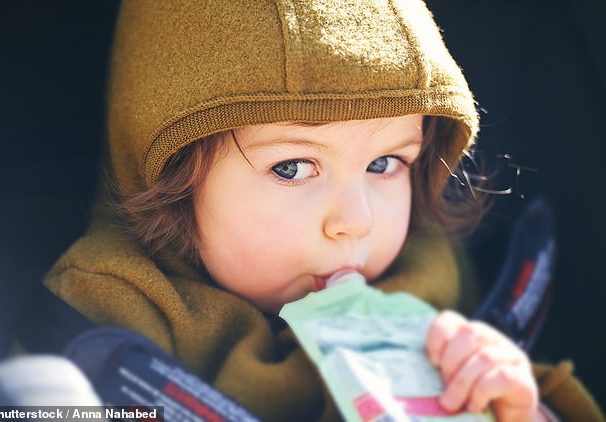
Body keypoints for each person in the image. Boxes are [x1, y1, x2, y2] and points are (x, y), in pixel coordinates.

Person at [44, 0, 603, 420]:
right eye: (292, 168)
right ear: (171, 181)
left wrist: (519, 407)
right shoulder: (112, 311)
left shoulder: (425, 284)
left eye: (385, 164)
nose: (354, 221)